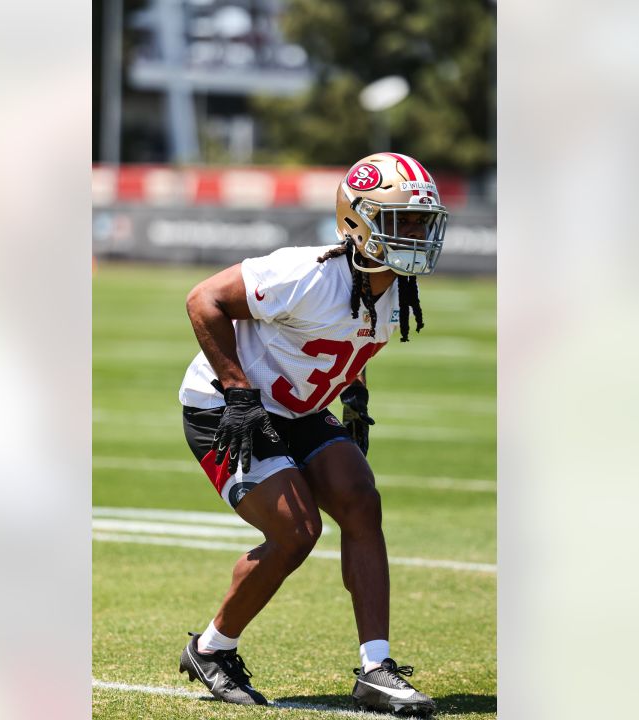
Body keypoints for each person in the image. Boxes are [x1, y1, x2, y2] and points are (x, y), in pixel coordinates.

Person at [176, 152, 449, 716]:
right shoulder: (308, 272)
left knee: (359, 499)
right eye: (403, 222)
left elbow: (351, 336)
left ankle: (376, 669)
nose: (417, 235)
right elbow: (203, 299)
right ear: (357, 222)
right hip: (227, 408)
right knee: (297, 531)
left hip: (297, 409)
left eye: (423, 222)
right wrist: (238, 393)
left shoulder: (394, 285)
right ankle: (212, 648)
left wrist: (353, 393)